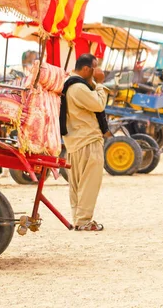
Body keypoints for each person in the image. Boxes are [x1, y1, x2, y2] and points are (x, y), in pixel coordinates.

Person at [61, 54, 108, 230]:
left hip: (75, 142)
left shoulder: (69, 84)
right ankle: (83, 221)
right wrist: (101, 83)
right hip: (87, 140)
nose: (97, 71)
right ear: (87, 69)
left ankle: (78, 219)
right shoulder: (79, 87)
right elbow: (99, 105)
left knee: (78, 184)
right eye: (95, 68)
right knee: (89, 183)